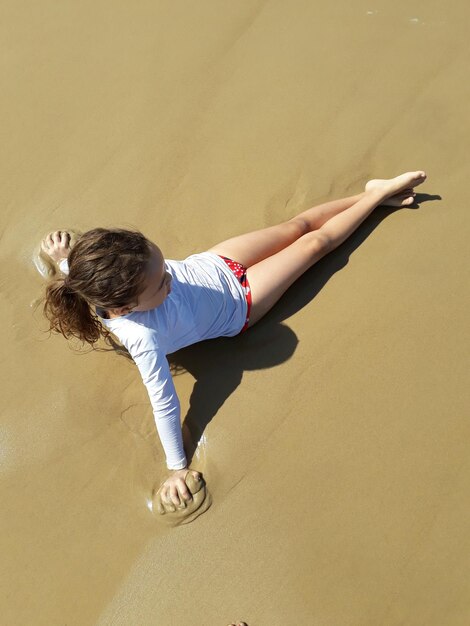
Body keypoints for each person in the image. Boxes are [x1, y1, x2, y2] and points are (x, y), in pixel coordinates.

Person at [41, 171, 426, 511]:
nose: (171, 279)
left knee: (299, 225)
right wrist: (177, 468)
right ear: (126, 307)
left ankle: (371, 195)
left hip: (218, 263)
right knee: (315, 246)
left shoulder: (93, 279)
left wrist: (64, 259)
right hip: (242, 304)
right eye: (161, 283)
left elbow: (78, 274)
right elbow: (164, 405)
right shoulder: (143, 337)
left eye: (163, 266)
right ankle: (378, 198)